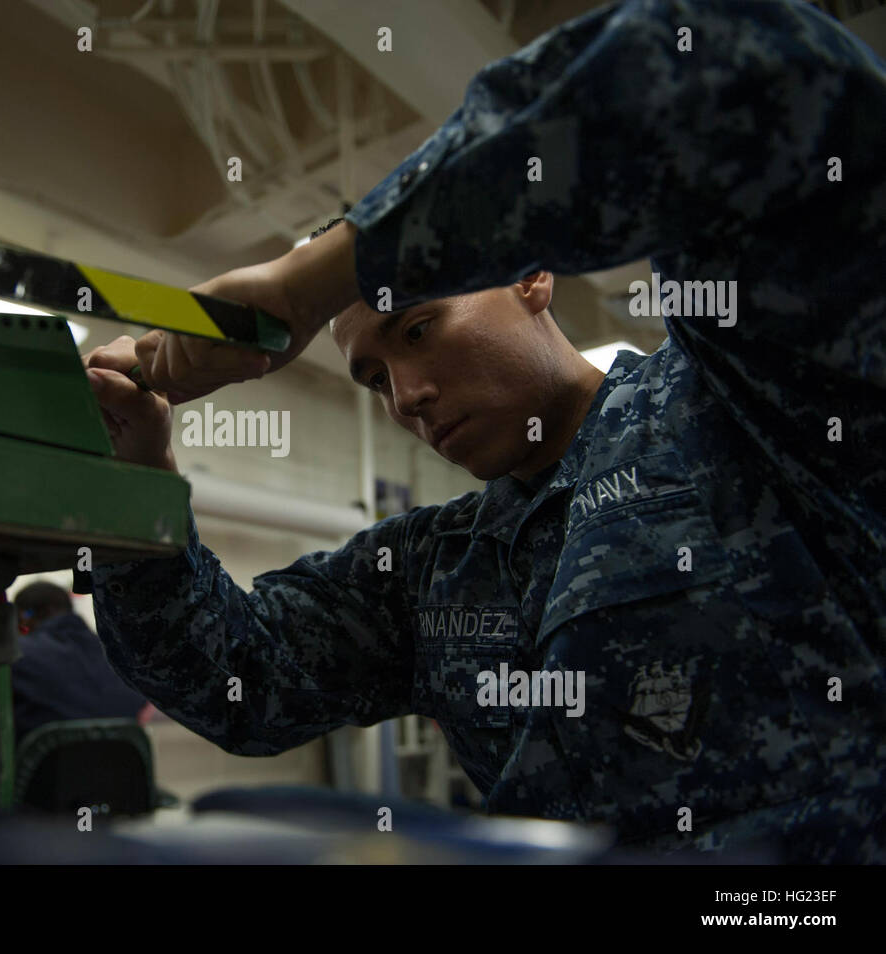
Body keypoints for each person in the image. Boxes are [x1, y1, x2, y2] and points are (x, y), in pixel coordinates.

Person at [79, 0, 886, 862]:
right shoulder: (433, 568)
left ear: (534, 275)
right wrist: (139, 482)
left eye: (419, 329)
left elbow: (747, 62)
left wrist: (308, 282)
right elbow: (240, 681)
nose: (406, 398)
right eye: (374, 377)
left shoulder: (749, 405)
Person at [0, 582, 147, 762]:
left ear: (24, 617)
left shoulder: (12, 657)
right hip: (117, 801)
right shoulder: (121, 658)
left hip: (32, 813)